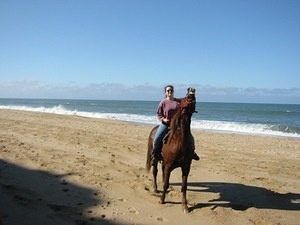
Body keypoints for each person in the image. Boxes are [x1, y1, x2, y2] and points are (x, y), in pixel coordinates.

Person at [151, 85, 200, 165]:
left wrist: (190, 94)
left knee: (190, 137)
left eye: (171, 90)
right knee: (157, 138)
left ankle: (192, 153)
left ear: (173, 91)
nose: (170, 92)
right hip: (166, 124)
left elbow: (186, 100)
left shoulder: (178, 101)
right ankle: (155, 155)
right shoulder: (163, 102)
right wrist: (163, 119)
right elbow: (159, 114)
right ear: (165, 92)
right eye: (168, 91)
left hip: (177, 125)